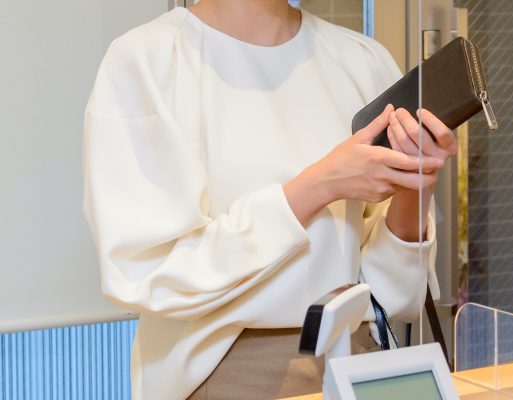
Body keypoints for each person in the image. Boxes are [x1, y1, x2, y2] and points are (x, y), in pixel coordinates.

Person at [82, 1, 457, 399]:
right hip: (227, 371)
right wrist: (321, 184)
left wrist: (414, 182)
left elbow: (398, 293)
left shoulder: (362, 59)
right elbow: (152, 275)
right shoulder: (147, 61)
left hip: (359, 359)